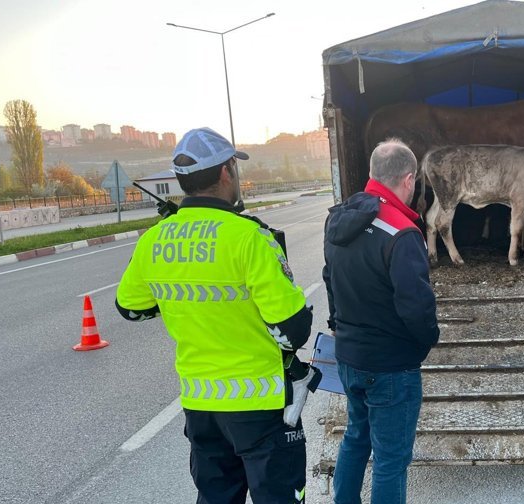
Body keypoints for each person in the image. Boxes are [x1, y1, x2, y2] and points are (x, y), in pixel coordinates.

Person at [116, 127, 315, 504]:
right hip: (259, 408)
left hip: (201, 407)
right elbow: (292, 331)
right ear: (226, 171)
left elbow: (131, 308)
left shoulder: (154, 240)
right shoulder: (249, 238)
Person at [323, 139, 439, 504]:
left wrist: (340, 329)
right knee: (390, 461)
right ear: (408, 179)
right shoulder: (402, 232)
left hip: (349, 358)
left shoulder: (337, 219)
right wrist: (424, 344)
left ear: (372, 175)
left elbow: (330, 280)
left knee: (356, 438)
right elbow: (416, 308)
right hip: (390, 367)